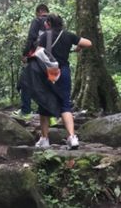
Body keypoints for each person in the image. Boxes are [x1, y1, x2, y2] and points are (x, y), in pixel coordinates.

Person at [33, 14, 92, 150]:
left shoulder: (45, 36)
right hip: (63, 71)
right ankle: (72, 137)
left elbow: (38, 54)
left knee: (44, 104)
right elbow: (88, 43)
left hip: (48, 73)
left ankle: (45, 139)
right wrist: (78, 47)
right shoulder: (68, 35)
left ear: (48, 24)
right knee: (65, 104)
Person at [13, 4, 49, 119]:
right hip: (52, 59)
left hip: (37, 57)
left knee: (25, 82)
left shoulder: (37, 21)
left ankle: (26, 111)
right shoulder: (56, 23)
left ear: (39, 12)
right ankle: (51, 115)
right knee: (46, 85)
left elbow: (31, 38)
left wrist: (25, 54)